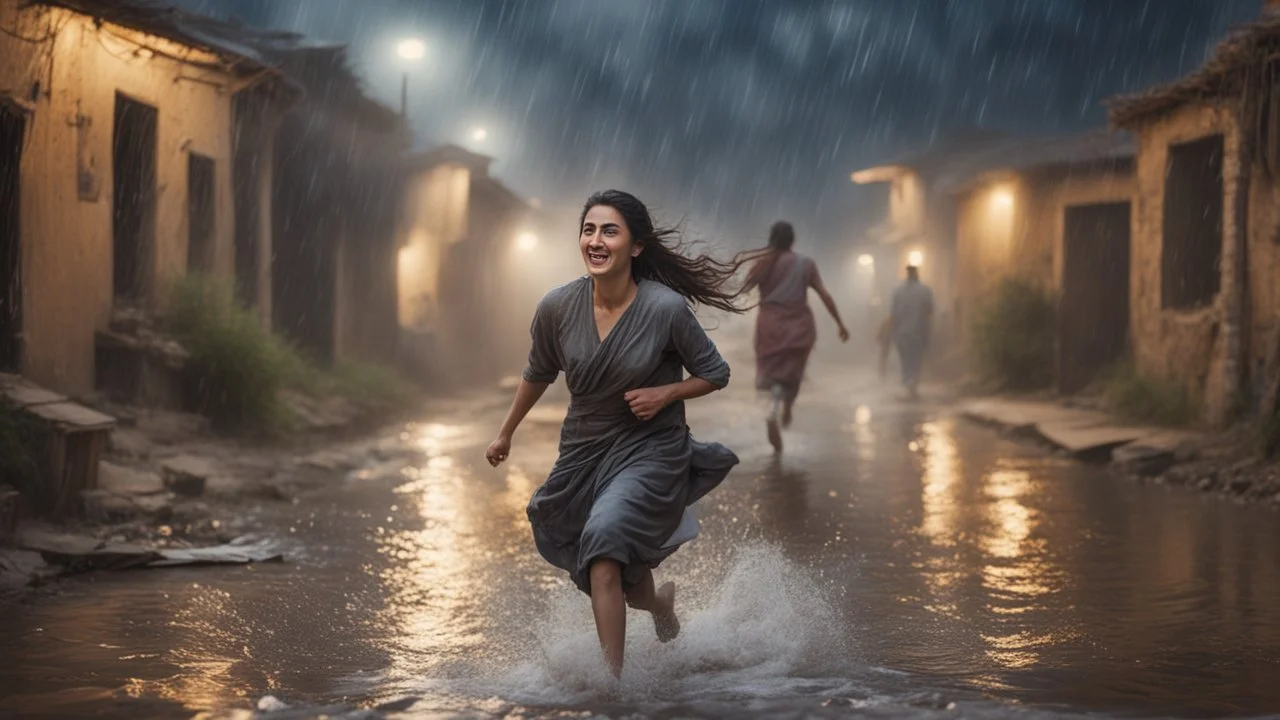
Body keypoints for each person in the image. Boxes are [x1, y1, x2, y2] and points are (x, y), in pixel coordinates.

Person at [484, 189, 746, 679]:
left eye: (610, 230)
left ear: (636, 247)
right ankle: (658, 604)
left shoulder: (665, 308)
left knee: (603, 543)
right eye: (588, 230)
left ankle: (611, 694)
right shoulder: (557, 307)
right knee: (615, 569)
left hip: (651, 448)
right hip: (584, 449)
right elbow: (538, 371)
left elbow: (716, 372)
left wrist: (665, 393)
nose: (596, 240)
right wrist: (506, 433)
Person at [743, 221, 849, 453]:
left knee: (770, 371)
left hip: (769, 325)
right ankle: (788, 406)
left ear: (772, 239)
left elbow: (742, 289)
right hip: (799, 325)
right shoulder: (805, 264)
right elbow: (823, 294)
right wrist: (839, 323)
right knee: (794, 370)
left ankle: (772, 408)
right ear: (792, 240)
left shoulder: (763, 264)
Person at [890, 264, 934, 399]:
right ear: (917, 274)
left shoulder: (897, 291)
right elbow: (929, 311)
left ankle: (908, 380)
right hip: (918, 331)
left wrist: (893, 330)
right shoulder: (925, 290)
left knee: (905, 358)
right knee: (916, 357)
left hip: (901, 332)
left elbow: (893, 314)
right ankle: (912, 381)